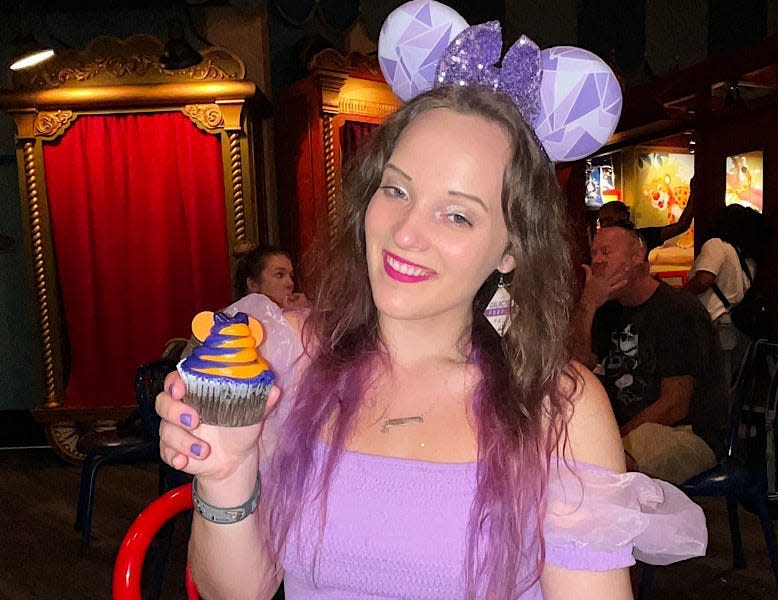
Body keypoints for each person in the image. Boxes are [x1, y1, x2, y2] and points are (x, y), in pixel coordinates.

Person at [157, 24, 706, 600]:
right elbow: (235, 591)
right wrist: (227, 474)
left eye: (458, 215)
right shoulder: (290, 359)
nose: (406, 232)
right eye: (396, 190)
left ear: (512, 247)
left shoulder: (556, 409)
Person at [571, 222, 727, 485]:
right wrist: (587, 307)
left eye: (606, 252)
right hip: (630, 427)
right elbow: (575, 369)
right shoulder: (607, 308)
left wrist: (614, 439)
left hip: (686, 431)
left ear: (637, 258)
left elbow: (674, 405)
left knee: (605, 468)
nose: (597, 261)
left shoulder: (676, 310)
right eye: (594, 253)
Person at [686, 204, 766, 386]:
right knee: (726, 382)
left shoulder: (716, 245)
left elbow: (704, 280)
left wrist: (677, 295)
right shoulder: (750, 261)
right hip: (732, 326)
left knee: (705, 382)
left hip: (709, 321)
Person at [597, 176, 696, 252]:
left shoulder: (643, 236)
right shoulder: (599, 245)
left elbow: (681, 226)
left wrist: (694, 194)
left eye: (609, 219)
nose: (605, 224)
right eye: (602, 221)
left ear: (624, 216)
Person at [234, 245, 308, 310]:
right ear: (253, 284)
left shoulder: (299, 315)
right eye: (279, 275)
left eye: (291, 276)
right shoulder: (234, 323)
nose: (291, 284)